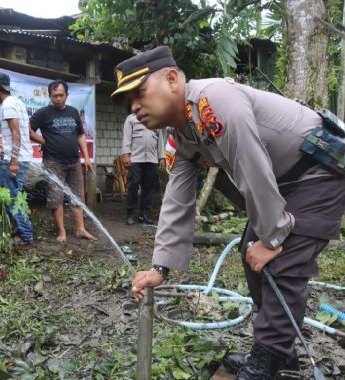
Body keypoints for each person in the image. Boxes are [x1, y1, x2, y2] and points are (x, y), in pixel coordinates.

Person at [113, 46, 345, 379]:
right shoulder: (181, 134)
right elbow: (177, 200)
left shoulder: (214, 100)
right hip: (283, 185)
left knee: (281, 260)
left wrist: (275, 236)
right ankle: (281, 356)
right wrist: (159, 268)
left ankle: (266, 362)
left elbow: (251, 163)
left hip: (317, 173)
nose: (134, 107)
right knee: (251, 251)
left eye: (139, 93)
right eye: (128, 101)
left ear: (173, 79)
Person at [29, 80, 97, 242]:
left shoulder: (73, 112)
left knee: (77, 196)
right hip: (53, 162)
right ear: (50, 96)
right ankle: (62, 232)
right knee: (55, 197)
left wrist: (86, 158)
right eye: (55, 96)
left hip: (74, 161)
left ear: (66, 95)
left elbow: (80, 135)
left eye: (61, 95)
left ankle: (80, 229)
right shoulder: (43, 113)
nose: (58, 99)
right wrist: (43, 141)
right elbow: (28, 129)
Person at [0, 72, 34, 245]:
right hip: (16, 156)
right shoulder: (17, 102)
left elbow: (16, 133)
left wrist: (13, 161)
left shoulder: (8, 105)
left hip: (16, 159)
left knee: (12, 198)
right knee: (0, 190)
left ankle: (26, 235)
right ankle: (17, 228)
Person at [121, 113, 165, 225]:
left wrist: (162, 157)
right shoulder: (131, 118)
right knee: (133, 185)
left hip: (152, 159)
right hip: (136, 158)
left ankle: (144, 214)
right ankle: (130, 213)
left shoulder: (156, 119)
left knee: (149, 187)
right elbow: (126, 137)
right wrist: (126, 154)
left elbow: (160, 139)